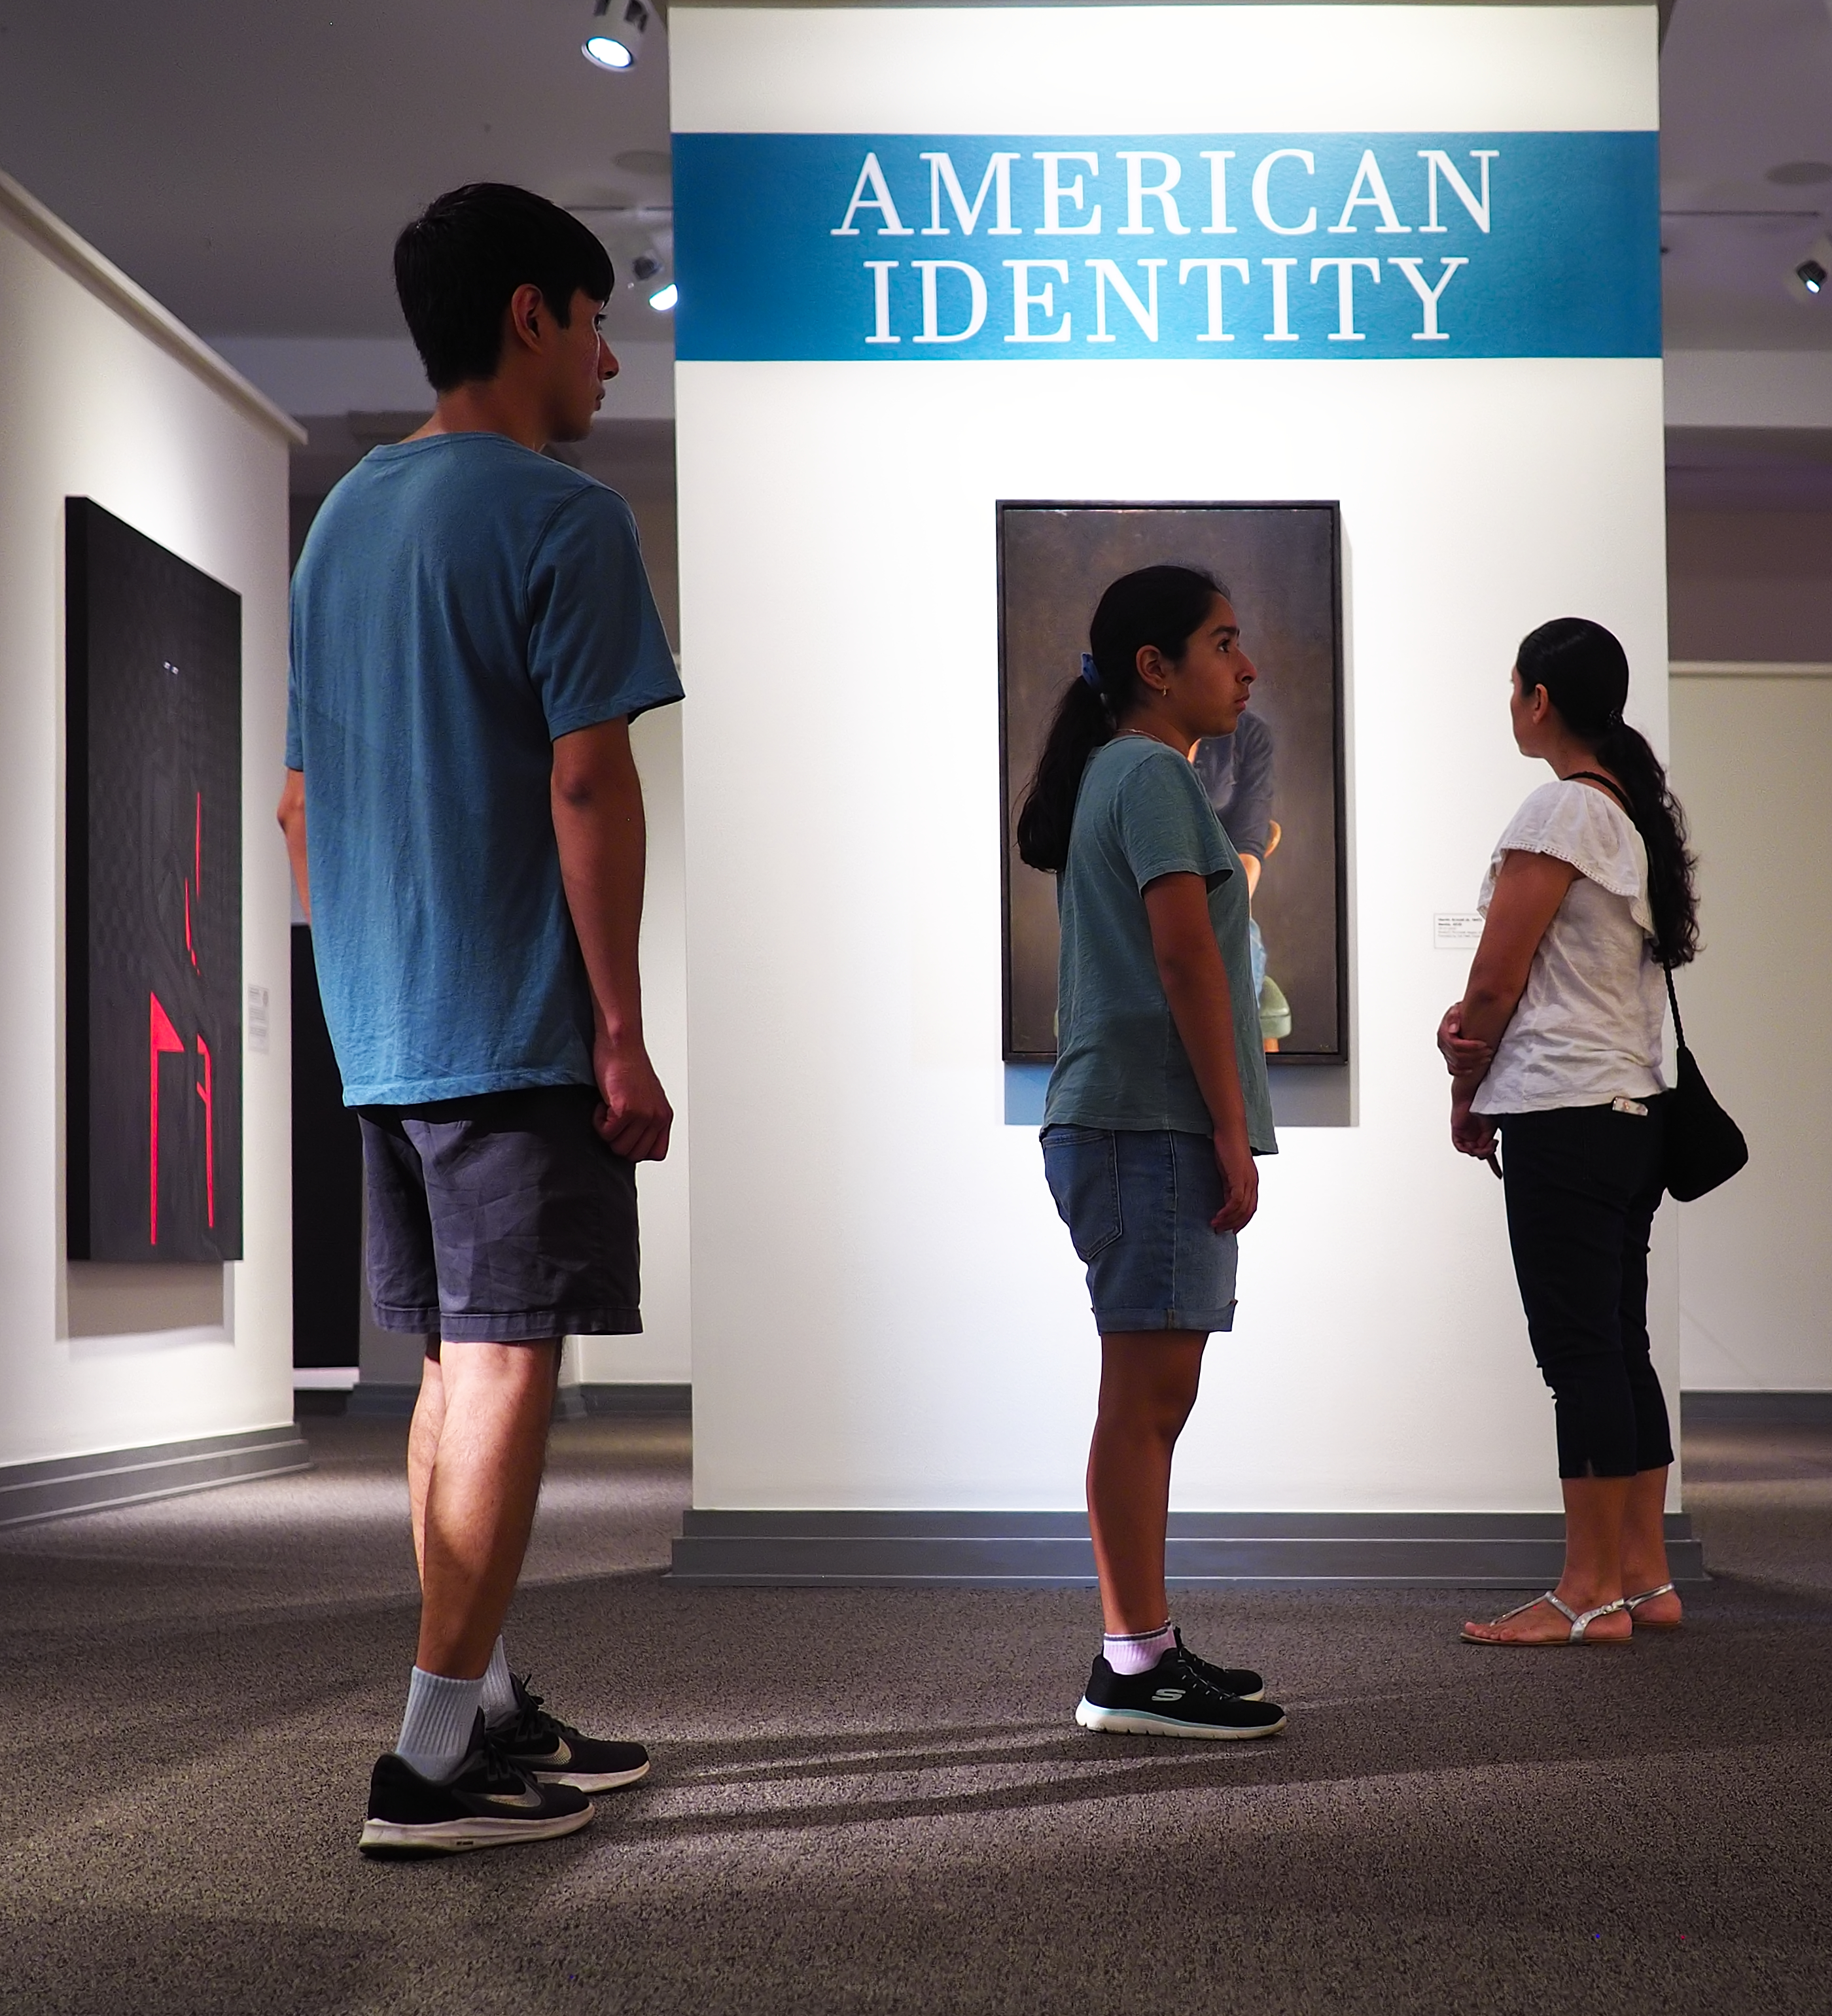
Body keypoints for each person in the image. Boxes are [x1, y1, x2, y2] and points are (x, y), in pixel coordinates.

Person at [279, 183, 684, 1852]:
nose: (608, 356)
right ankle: (430, 1754)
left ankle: (489, 1698)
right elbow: (587, 782)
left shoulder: (340, 524)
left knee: (452, 1361)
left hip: (380, 1023)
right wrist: (619, 1027)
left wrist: (368, 980)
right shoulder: (562, 515)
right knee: (511, 1357)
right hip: (512, 1023)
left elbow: (300, 806)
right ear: (530, 316)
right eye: (597, 322)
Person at [1017, 566, 1286, 1740]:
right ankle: (1132, 1662)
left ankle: (1145, 1646)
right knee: (1144, 1404)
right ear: (1154, 668)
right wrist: (1229, 1128)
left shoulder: (1124, 774)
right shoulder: (1152, 775)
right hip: (1149, 1124)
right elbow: (1186, 960)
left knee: (1148, 1400)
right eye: (1223, 643)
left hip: (1127, 1122)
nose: (1247, 666)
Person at [1439, 617, 1696, 1646]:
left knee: (1578, 1355)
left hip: (1565, 1113)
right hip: (1631, 1115)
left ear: (1541, 699)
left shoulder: (1559, 808)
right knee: (1619, 1344)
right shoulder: (1629, 814)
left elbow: (1496, 980)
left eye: (1515, 688)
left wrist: (1464, 1081)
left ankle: (1585, 1591)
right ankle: (1644, 1576)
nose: (1510, 705)